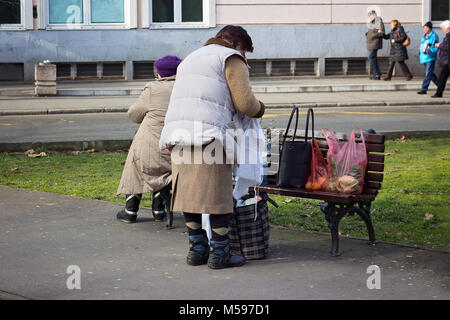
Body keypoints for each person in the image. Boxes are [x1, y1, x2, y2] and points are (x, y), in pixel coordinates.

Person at [159, 25, 265, 270]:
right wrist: (261, 108)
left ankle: (196, 250)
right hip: (209, 136)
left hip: (178, 135)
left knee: (189, 195)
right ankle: (220, 253)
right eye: (245, 51)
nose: (245, 57)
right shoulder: (230, 57)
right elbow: (246, 104)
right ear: (239, 44)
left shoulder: (190, 59)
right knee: (217, 195)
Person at [116, 56, 182, 223]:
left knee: (135, 166)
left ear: (159, 73)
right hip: (175, 144)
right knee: (166, 171)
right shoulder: (185, 88)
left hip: (150, 141)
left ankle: (130, 210)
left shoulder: (152, 88)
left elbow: (134, 114)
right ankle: (159, 209)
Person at [418, 21, 439, 95]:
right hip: (424, 57)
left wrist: (430, 51)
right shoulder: (424, 36)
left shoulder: (434, 36)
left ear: (430, 28)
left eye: (426, 28)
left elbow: (435, 47)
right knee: (431, 74)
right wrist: (420, 53)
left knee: (428, 74)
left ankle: (424, 89)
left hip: (430, 57)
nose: (424, 29)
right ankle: (440, 86)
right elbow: (422, 46)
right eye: (424, 28)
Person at [432, 20, 450, 98]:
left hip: (447, 61)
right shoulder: (447, 36)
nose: (442, 30)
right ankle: (438, 93)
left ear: (447, 28)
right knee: (442, 78)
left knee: (442, 79)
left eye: (443, 28)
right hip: (446, 61)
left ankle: (439, 93)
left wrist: (439, 45)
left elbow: (447, 46)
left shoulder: (449, 36)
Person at [366, 10, 385, 80]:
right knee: (372, 58)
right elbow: (373, 31)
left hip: (375, 43)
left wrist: (373, 35)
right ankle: (376, 74)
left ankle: (377, 74)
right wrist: (367, 34)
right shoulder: (372, 23)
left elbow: (381, 33)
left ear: (374, 15)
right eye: (369, 16)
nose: (369, 17)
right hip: (371, 43)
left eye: (370, 15)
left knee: (371, 57)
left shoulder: (379, 22)